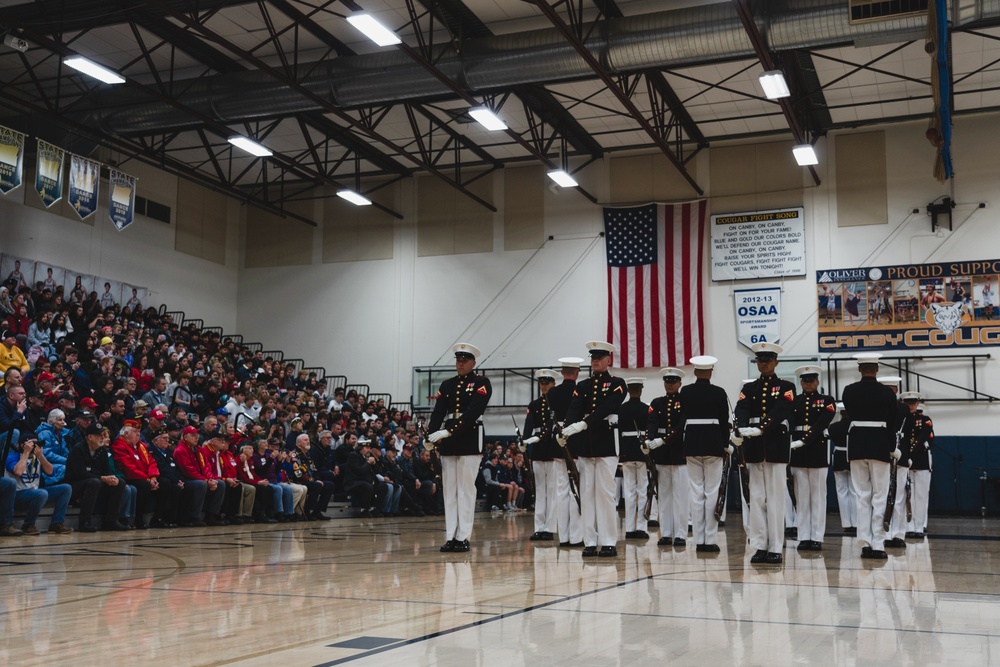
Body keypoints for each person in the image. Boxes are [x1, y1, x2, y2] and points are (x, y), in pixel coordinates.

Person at [559, 341, 626, 558]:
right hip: (586, 446)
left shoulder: (617, 383)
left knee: (605, 493)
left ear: (609, 360)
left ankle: (607, 541)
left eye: (599, 357)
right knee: (586, 493)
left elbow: (608, 407)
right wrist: (566, 430)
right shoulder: (583, 386)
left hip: (606, 444)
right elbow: (574, 409)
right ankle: (590, 540)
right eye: (593, 358)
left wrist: (585, 423)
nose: (595, 361)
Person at [426, 342, 493, 553]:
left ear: (473, 362)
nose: (460, 364)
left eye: (465, 361)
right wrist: (431, 435)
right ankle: (450, 536)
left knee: (465, 489)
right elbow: (438, 412)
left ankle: (463, 536)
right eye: (458, 360)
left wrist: (449, 431)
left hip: (469, 437)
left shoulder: (481, 383)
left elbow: (473, 411)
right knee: (450, 490)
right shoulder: (447, 385)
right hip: (449, 440)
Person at [734, 342, 796, 565]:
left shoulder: (786, 387)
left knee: (776, 500)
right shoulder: (748, 388)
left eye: (768, 360)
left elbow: (782, 410)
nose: (764, 363)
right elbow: (741, 409)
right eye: (760, 360)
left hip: (776, 447)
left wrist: (762, 427)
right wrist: (740, 429)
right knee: (757, 498)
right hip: (753, 448)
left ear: (775, 362)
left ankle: (776, 547)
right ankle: (759, 545)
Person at [841, 352, 900, 560]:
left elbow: (849, 411)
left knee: (862, 496)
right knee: (879, 496)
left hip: (857, 444)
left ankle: (864, 542)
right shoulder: (887, 393)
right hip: (879, 445)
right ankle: (877, 543)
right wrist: (892, 447)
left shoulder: (849, 391)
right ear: (876, 369)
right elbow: (892, 422)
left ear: (859, 369)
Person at [678, 356, 731, 553]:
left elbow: (682, 417)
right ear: (710, 372)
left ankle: (699, 540)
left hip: (692, 443)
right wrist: (725, 446)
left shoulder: (686, 391)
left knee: (696, 492)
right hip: (713, 444)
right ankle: (710, 539)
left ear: (695, 372)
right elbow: (724, 421)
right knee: (712, 491)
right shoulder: (719, 392)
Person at [788, 365, 836, 552]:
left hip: (817, 450)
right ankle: (803, 536)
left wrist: (805, 440)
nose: (808, 383)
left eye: (811, 380)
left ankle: (816, 536)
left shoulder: (826, 401)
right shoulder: (794, 401)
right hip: (797, 452)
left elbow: (823, 422)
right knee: (801, 497)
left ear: (817, 382)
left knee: (818, 497)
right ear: (801, 382)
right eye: (805, 380)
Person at [647, 367, 688, 547]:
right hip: (662, 455)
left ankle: (680, 534)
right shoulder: (657, 403)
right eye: (667, 382)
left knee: (680, 496)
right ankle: (666, 533)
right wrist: (649, 441)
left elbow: (681, 426)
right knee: (664, 496)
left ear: (680, 383)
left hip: (678, 452)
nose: (670, 385)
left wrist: (663, 440)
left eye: (673, 382)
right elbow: (652, 423)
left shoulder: (685, 401)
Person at [521, 369, 563, 541]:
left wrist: (538, 437)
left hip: (552, 447)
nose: (544, 386)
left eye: (547, 383)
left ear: (553, 384)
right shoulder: (534, 404)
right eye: (542, 383)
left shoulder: (558, 403)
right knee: (540, 490)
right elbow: (528, 424)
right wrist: (524, 441)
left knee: (552, 490)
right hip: (537, 449)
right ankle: (539, 527)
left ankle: (550, 527)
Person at [4, 431, 74, 535]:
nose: (35, 447)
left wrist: (41, 456)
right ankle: (28, 525)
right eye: (32, 444)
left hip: (35, 493)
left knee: (66, 488)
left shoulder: (37, 457)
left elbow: (51, 472)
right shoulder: (12, 457)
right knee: (41, 493)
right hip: (17, 495)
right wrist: (26, 453)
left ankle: (57, 523)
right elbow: (18, 471)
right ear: (23, 445)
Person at [64, 421, 129, 532]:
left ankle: (111, 521)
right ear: (90, 437)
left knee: (120, 483)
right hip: (75, 485)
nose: (102, 438)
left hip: (95, 482)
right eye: (99, 435)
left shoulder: (102, 450)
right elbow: (80, 474)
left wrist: (111, 477)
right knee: (94, 482)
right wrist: (102, 478)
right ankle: (84, 521)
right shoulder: (78, 450)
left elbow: (106, 469)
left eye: (103, 435)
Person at [547, 356, 584, 547]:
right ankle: (577, 536)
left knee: (561, 490)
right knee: (576, 489)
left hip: (557, 441)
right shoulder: (580, 390)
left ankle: (564, 536)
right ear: (577, 373)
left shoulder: (552, 393)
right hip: (575, 439)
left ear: (562, 373)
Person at [172, 425, 227, 525]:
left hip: (200, 478)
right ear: (185, 437)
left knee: (220, 483)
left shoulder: (199, 449)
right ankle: (193, 517)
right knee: (201, 484)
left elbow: (207, 467)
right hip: (185, 479)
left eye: (197, 435)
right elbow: (188, 471)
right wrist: (206, 480)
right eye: (193, 435)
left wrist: (210, 478)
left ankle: (211, 515)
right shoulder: (180, 450)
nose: (197, 437)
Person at [618, 377, 650, 541]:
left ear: (629, 391)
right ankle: (641, 527)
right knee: (642, 490)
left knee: (629, 490)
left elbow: (618, 432)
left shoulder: (621, 409)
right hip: (642, 452)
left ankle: (630, 528)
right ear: (641, 390)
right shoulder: (646, 409)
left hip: (626, 452)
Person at [827, 403, 856, 535]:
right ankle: (855, 522)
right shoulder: (854, 426)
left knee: (841, 491)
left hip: (838, 457)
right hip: (852, 457)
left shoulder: (833, 427)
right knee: (854, 491)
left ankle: (846, 523)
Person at [907, 401, 934, 538]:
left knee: (921, 495)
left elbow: (926, 436)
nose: (910, 406)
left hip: (921, 459)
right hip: (906, 460)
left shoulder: (925, 420)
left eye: (912, 403)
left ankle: (920, 526)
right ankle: (909, 526)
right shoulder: (904, 418)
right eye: (907, 403)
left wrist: (910, 450)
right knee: (908, 496)